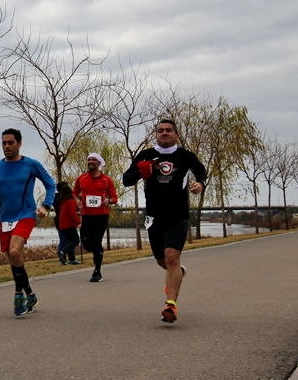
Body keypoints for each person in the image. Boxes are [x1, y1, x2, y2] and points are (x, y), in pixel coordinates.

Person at [122, 119, 207, 324]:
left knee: (171, 257)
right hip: (153, 216)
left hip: (178, 215)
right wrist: (141, 173)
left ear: (177, 135)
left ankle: (171, 305)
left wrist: (200, 184)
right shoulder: (145, 155)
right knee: (162, 260)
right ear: (156, 135)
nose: (164, 133)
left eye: (169, 130)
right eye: (160, 131)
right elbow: (126, 180)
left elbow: (201, 171)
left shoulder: (185, 156)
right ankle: (179, 272)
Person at [0, 128, 56, 316]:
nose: (6, 146)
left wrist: (46, 206)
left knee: (15, 251)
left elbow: (50, 184)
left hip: (25, 214)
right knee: (14, 259)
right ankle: (30, 294)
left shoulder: (31, 164)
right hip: (5, 218)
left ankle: (18, 295)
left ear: (19, 144)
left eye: (10, 143)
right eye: (4, 143)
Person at [72, 153, 118, 282]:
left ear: (99, 163)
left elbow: (115, 198)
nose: (90, 162)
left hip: (101, 216)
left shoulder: (106, 180)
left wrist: (108, 201)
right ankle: (98, 251)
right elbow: (74, 192)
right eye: (88, 160)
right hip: (86, 215)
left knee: (96, 241)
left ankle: (97, 271)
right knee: (86, 244)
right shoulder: (81, 179)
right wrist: (77, 200)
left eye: (93, 160)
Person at [56, 182, 81, 265]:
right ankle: (63, 252)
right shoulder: (70, 202)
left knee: (68, 242)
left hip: (62, 225)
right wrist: (78, 222)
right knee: (75, 241)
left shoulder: (62, 202)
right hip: (69, 225)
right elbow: (72, 213)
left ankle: (71, 259)